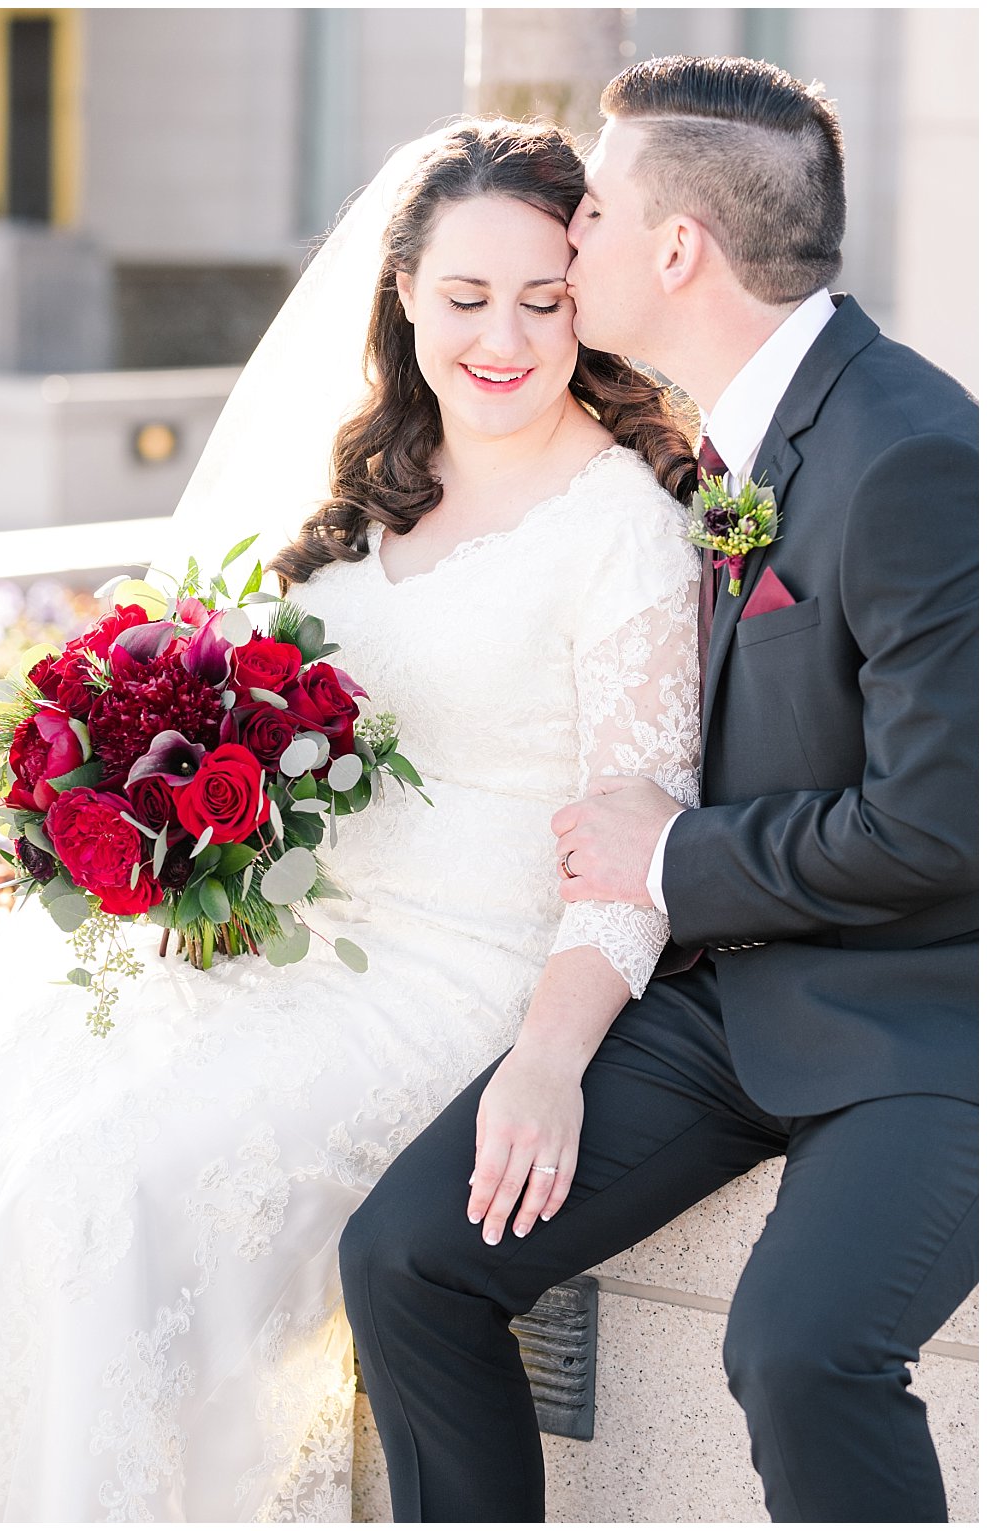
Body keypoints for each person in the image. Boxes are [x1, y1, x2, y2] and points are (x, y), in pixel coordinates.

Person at [0, 118, 701, 1521]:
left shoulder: (624, 525)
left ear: (588, 301)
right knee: (28, 1115)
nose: (504, 337)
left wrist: (547, 1063)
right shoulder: (369, 500)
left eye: (544, 300)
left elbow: (637, 854)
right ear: (405, 293)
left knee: (110, 1186)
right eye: (466, 298)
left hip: (471, 977)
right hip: (296, 949)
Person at [342, 56, 978, 1522]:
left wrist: (675, 854)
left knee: (804, 1350)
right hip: (726, 998)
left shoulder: (913, 452)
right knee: (408, 1254)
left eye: (602, 212)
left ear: (678, 250)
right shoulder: (729, 432)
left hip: (922, 1013)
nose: (575, 242)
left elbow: (946, 824)